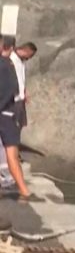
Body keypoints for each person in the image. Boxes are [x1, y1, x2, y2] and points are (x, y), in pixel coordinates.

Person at [0, 37, 30, 201]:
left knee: (8, 154)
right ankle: (24, 190)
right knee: (11, 154)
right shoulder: (7, 65)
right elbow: (12, 89)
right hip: (7, 113)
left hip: (5, 113)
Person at [10, 42, 35, 129]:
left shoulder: (21, 62)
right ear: (26, 51)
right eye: (30, 55)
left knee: (19, 124)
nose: (29, 58)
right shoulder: (11, 59)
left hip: (20, 98)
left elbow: (21, 79)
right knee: (11, 125)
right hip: (12, 98)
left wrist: (24, 92)